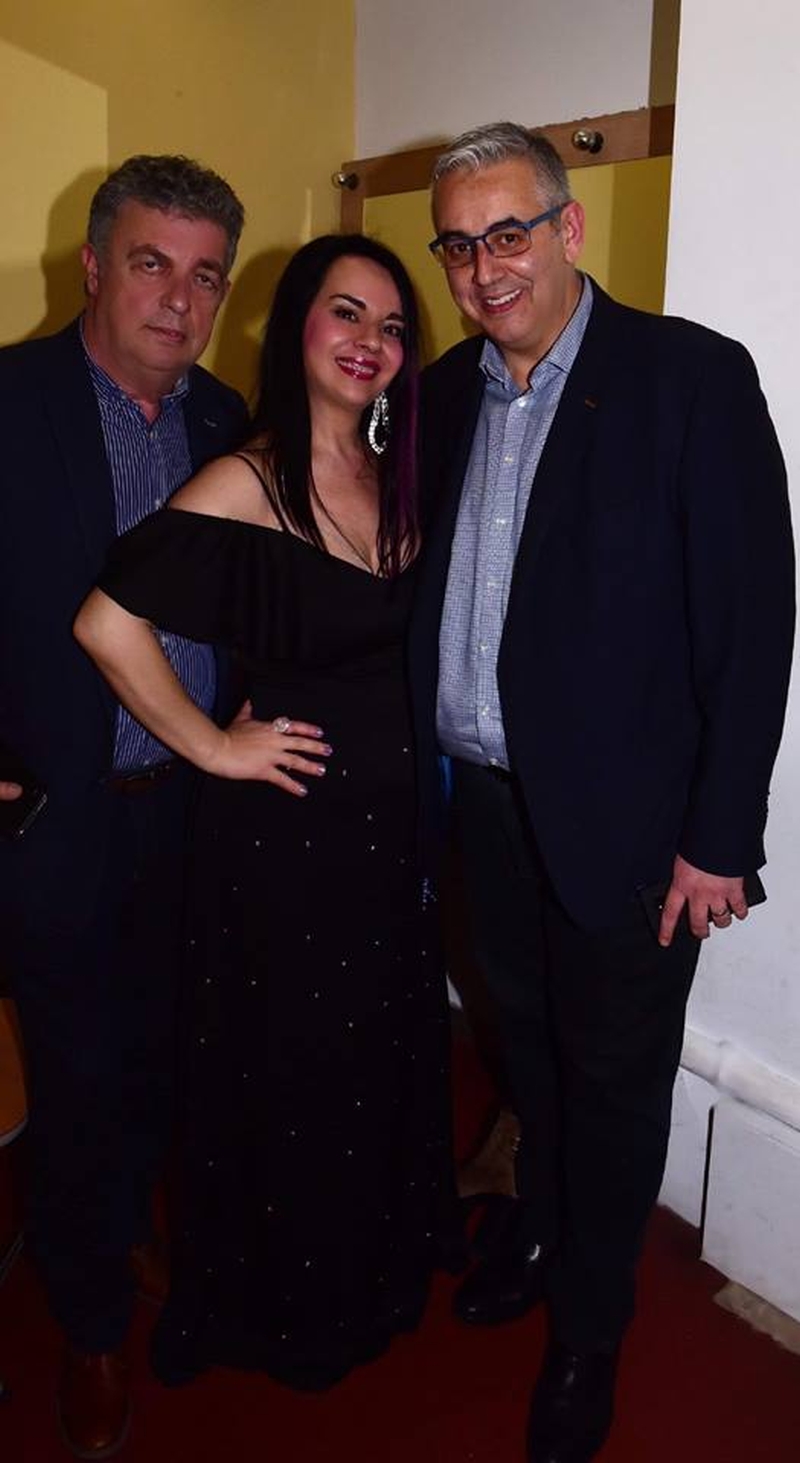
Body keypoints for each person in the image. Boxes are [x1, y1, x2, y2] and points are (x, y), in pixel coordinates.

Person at [409, 122, 795, 1463]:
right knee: (526, 1048)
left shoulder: (688, 378)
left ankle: (588, 1330)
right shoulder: (446, 394)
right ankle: (534, 1216)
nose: (484, 267)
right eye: (459, 243)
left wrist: (718, 838)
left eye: (509, 233)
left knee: (616, 1084)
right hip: (485, 810)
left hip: (631, 829)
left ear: (567, 230)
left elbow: (750, 623)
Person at [74, 233, 459, 1392]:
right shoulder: (248, 477)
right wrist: (211, 745)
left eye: (391, 325)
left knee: (371, 1061)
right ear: (296, 325)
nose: (369, 342)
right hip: (283, 843)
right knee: (289, 1074)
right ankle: (283, 1306)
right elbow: (106, 622)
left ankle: (371, 1270)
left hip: (391, 841)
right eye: (345, 312)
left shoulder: (398, 472)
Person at [0, 154, 246, 1457]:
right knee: (79, 1079)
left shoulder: (226, 418)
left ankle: (125, 1229)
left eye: (205, 275)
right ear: (93, 264)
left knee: (168, 1053)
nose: (179, 298)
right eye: (152, 263)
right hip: (61, 817)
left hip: (195, 815)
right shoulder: (9, 401)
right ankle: (90, 1323)